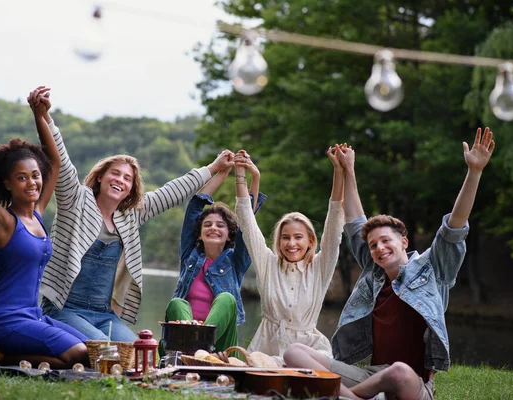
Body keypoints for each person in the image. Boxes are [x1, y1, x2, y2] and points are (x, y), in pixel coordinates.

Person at [283, 128, 495, 400]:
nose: (379, 248)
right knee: (294, 352)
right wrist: (349, 170)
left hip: (411, 383)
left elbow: (454, 227)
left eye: (385, 241)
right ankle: (354, 397)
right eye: (373, 245)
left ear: (404, 242)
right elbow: (354, 221)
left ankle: (344, 396)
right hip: (371, 377)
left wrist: (474, 172)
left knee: (399, 372)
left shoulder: (433, 269)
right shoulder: (374, 273)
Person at [27, 87, 234, 342]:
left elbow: (173, 192)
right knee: (104, 350)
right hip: (64, 308)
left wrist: (213, 167)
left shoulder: (130, 216)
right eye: (115, 173)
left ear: (130, 189)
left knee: (140, 351)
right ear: (101, 176)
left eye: (127, 178)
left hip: (104, 314)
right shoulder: (75, 200)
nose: (120, 180)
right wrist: (45, 118)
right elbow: (60, 159)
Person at [0, 109, 89, 368]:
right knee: (79, 355)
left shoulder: (38, 213)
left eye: (35, 175)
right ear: (7, 183)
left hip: (33, 317)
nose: (31, 183)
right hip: (1, 319)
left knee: (94, 352)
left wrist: (39, 115)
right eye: (21, 177)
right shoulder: (3, 221)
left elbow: (54, 162)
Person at [233, 147, 345, 366]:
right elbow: (246, 219)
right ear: (279, 241)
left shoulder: (320, 267)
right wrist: (239, 173)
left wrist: (339, 171)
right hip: (267, 349)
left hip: (309, 351)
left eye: (298, 237)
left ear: (310, 241)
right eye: (285, 237)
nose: (291, 244)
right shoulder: (268, 263)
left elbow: (334, 223)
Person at [165, 150, 266, 353]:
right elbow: (194, 206)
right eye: (208, 225)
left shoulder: (236, 260)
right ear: (199, 234)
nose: (213, 228)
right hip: (182, 342)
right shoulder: (189, 256)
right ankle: (194, 348)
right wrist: (221, 172)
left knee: (226, 299)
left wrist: (254, 177)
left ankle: (200, 348)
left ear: (230, 235)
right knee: (177, 303)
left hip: (219, 348)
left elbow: (247, 219)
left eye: (220, 225)